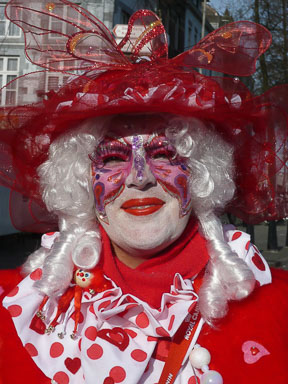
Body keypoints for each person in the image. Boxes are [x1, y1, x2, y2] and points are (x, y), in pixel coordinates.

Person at [0, 1, 287, 383]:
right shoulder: (18, 305)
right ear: (81, 180)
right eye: (114, 158)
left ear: (201, 174)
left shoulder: (278, 305)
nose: (139, 178)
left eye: (165, 154)